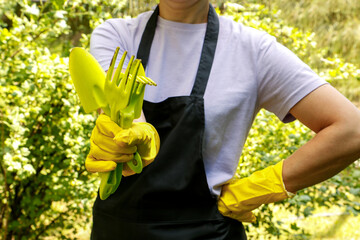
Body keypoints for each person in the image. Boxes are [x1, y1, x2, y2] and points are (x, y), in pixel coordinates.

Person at [86, 0, 360, 239]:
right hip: (117, 230)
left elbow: (352, 130)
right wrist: (134, 136)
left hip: (207, 233)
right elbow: (125, 116)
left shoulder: (253, 50)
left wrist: (264, 186)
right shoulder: (116, 36)